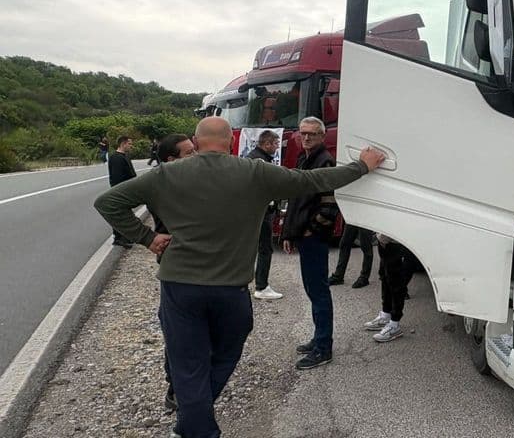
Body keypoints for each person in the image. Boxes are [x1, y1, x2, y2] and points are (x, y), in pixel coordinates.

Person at [94, 117, 385, 438]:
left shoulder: (164, 174)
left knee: (188, 364)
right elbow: (313, 180)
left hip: (180, 286)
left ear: (196, 140)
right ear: (232, 141)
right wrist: (362, 166)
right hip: (230, 288)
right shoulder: (254, 173)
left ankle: (193, 418)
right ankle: (196, 425)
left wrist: (147, 238)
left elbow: (108, 202)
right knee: (226, 351)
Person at [281, 117, 340, 370]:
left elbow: (330, 207)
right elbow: (296, 200)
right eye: (303, 133)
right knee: (313, 290)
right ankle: (318, 338)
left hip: (313, 239)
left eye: (312, 134)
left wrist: (308, 231)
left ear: (322, 136)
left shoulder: (324, 160)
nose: (306, 138)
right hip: (305, 236)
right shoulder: (304, 159)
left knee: (318, 292)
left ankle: (323, 348)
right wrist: (289, 233)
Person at [149, 133, 196, 413]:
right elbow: (112, 201)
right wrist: (147, 238)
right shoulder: (163, 183)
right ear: (170, 161)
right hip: (176, 267)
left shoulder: (186, 178)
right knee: (178, 333)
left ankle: (188, 385)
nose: (196, 156)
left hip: (199, 267)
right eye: (189, 153)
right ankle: (176, 388)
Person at [246, 130, 283, 300]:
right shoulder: (260, 161)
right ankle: (262, 286)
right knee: (265, 249)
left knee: (254, 247)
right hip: (262, 212)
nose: (277, 147)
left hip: (256, 211)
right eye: (275, 144)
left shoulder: (254, 157)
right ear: (266, 144)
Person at [363, 233, 414, 342]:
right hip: (385, 240)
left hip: (399, 241)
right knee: (385, 277)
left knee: (397, 283)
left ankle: (394, 324)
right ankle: (386, 315)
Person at [107, 136, 137, 248]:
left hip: (127, 189)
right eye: (129, 144)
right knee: (120, 215)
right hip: (120, 191)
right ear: (123, 144)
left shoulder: (125, 156)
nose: (130, 146)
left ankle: (124, 236)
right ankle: (119, 238)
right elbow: (116, 177)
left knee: (124, 214)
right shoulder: (116, 158)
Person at [329, 224, 374, 288]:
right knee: (344, 244)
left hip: (365, 219)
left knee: (366, 247)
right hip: (353, 218)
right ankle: (338, 276)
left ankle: (364, 277)